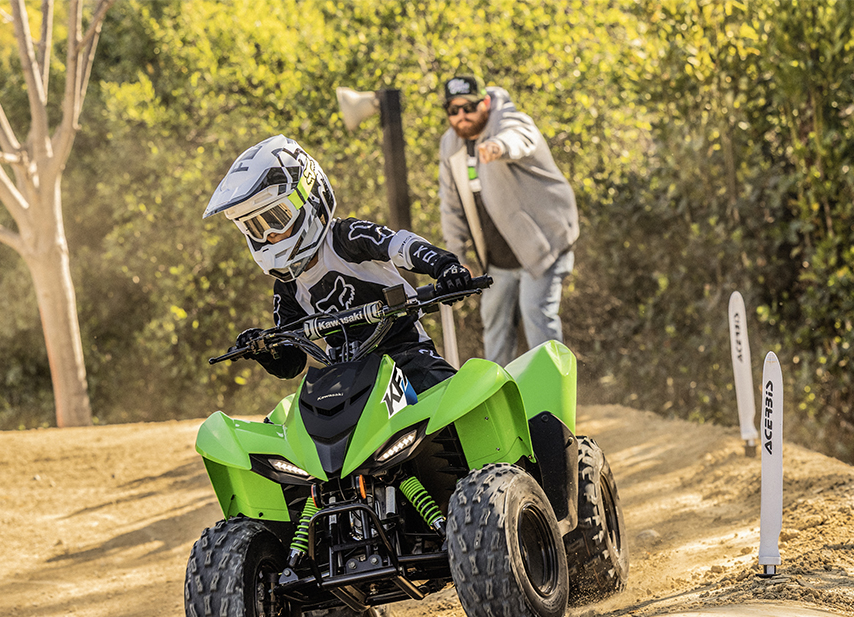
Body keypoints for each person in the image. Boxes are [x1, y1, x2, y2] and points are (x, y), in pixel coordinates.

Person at [205, 135, 472, 393]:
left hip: (406, 357)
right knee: (298, 421)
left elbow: (401, 246)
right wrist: (265, 350)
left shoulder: (346, 237)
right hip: (345, 378)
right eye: (254, 226)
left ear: (307, 199)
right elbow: (293, 363)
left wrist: (445, 267)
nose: (268, 235)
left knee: (453, 403)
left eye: (274, 218)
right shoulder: (287, 286)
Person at [437, 75, 579, 366]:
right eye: (453, 110)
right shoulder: (451, 145)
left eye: (469, 107)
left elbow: (520, 137)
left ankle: (553, 403)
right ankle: (500, 403)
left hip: (542, 247)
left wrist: (499, 147)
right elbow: (450, 206)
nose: (462, 116)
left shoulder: (509, 120)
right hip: (498, 261)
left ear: (485, 103)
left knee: (536, 317)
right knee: (495, 327)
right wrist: (457, 256)